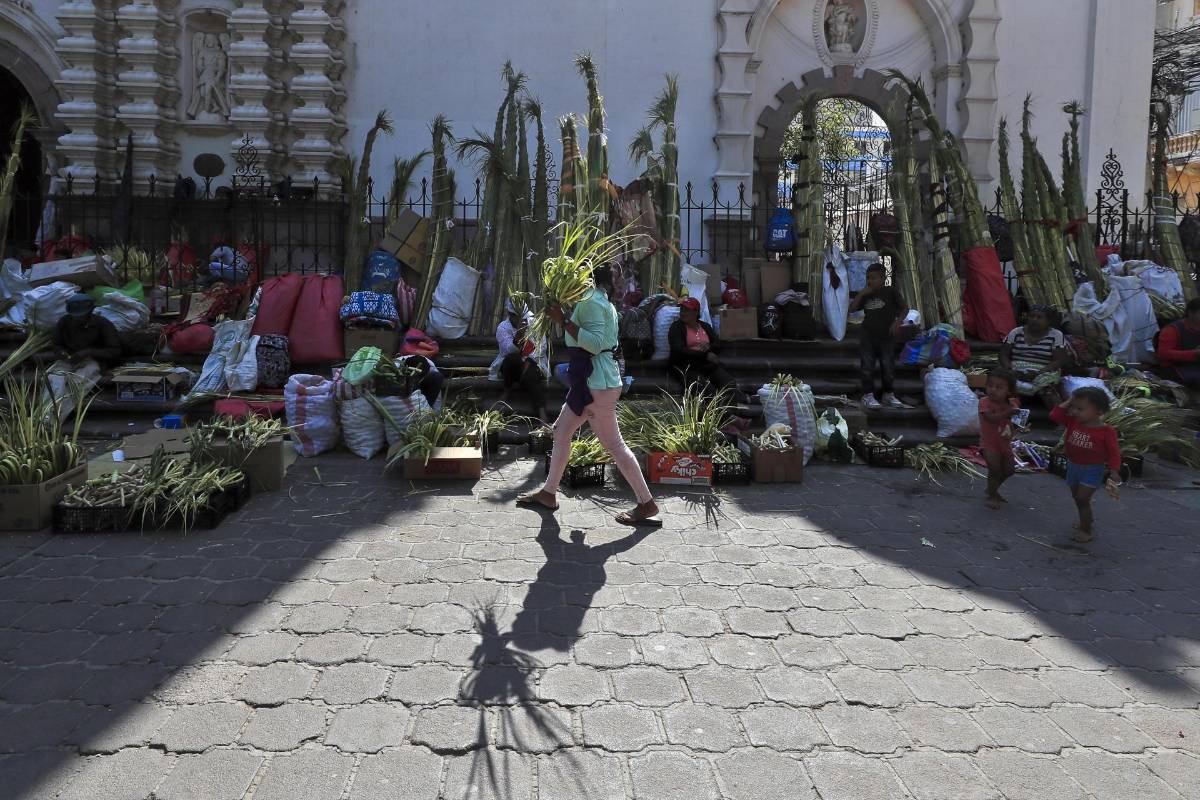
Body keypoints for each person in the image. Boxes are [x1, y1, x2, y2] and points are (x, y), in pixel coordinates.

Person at [517, 266, 660, 527]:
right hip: (593, 382)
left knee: (615, 446)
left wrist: (563, 321)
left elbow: (593, 344)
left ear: (588, 279)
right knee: (561, 432)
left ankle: (646, 503)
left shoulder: (594, 302)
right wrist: (564, 316)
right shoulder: (600, 301)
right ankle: (549, 493)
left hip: (596, 384)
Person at [1050, 387, 1122, 544]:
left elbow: (1114, 453)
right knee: (1078, 498)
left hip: (1093, 469)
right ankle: (1086, 520)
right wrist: (1069, 400)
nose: (1074, 411)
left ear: (1099, 412)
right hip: (1073, 465)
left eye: (1080, 409)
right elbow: (1054, 415)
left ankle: (1086, 530)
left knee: (1082, 498)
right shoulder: (1073, 421)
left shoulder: (1106, 431)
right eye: (1073, 407)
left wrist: (1114, 471)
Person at [849, 263, 909, 409]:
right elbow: (852, 309)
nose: (870, 281)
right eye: (868, 278)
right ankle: (868, 395)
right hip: (867, 335)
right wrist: (862, 293)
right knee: (867, 366)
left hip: (886, 337)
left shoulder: (891, 292)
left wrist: (897, 323)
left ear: (883, 279)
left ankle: (888, 394)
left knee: (888, 366)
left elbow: (905, 309)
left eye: (874, 278)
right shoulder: (866, 294)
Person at [667, 297, 739, 399]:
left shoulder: (705, 326)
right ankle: (724, 415)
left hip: (705, 366)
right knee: (708, 390)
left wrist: (709, 346)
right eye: (682, 310)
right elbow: (679, 350)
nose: (683, 313)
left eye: (687, 310)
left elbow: (718, 344)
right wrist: (705, 355)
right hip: (686, 367)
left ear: (696, 312)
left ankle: (732, 412)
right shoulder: (676, 327)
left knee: (728, 383)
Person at [491, 298, 549, 421]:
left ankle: (542, 414)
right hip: (512, 365)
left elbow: (542, 346)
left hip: (533, 363)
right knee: (512, 359)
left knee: (530, 375)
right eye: (518, 317)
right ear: (510, 315)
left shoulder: (535, 323)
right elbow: (506, 350)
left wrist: (530, 360)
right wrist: (519, 336)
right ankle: (507, 390)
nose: (523, 320)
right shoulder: (503, 327)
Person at [999, 305, 1069, 405]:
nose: (1034, 319)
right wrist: (1010, 369)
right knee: (1001, 383)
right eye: (1032, 316)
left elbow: (1059, 360)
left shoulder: (1056, 335)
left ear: (1048, 321)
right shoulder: (1016, 332)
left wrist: (1040, 372)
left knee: (1048, 389)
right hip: (1015, 369)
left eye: (1039, 317)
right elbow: (1003, 355)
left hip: (1044, 371)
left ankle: (1059, 418)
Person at [978, 369, 1023, 509]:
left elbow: (1014, 422)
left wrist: (1020, 426)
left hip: (1004, 443)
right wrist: (1007, 412)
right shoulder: (984, 402)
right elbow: (991, 419)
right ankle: (992, 495)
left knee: (1009, 470)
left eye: (999, 387)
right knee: (994, 470)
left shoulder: (1012, 403)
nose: (993, 390)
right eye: (990, 385)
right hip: (989, 443)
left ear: (1009, 391)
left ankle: (992, 488)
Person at [52, 293, 122, 365]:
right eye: (74, 316)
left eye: (81, 316)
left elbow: (115, 351)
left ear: (90, 312)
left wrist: (89, 352)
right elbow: (57, 343)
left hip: (97, 361)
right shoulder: (64, 321)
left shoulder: (103, 324)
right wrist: (61, 352)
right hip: (71, 358)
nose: (77, 319)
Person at [1156, 296, 1200, 387]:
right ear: (1190, 313)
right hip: (1175, 369)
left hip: (1195, 366)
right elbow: (1163, 353)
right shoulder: (1172, 330)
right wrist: (1194, 354)